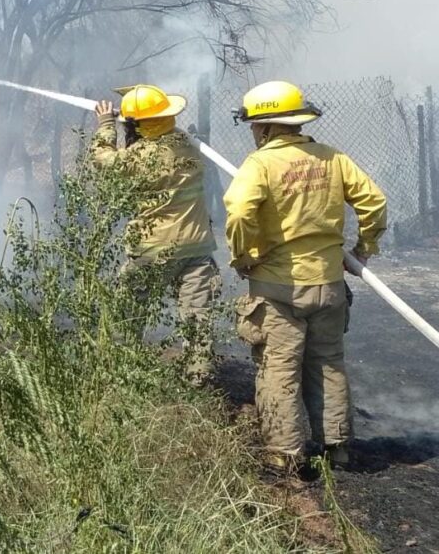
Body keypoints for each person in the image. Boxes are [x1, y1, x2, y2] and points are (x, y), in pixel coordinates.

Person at [223, 80, 387, 473]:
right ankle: (338, 449)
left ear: (264, 127)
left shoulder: (260, 164)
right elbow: (375, 203)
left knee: (279, 368)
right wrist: (364, 249)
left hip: (277, 289)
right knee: (328, 363)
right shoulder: (332, 158)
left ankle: (284, 454)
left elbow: (241, 213)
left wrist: (243, 256)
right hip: (329, 284)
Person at [93, 84, 221, 381]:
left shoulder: (138, 157)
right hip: (197, 248)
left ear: (136, 126)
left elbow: (102, 160)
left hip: (152, 250)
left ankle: (122, 375)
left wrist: (106, 124)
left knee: (128, 315)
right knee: (198, 321)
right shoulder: (189, 146)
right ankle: (197, 382)